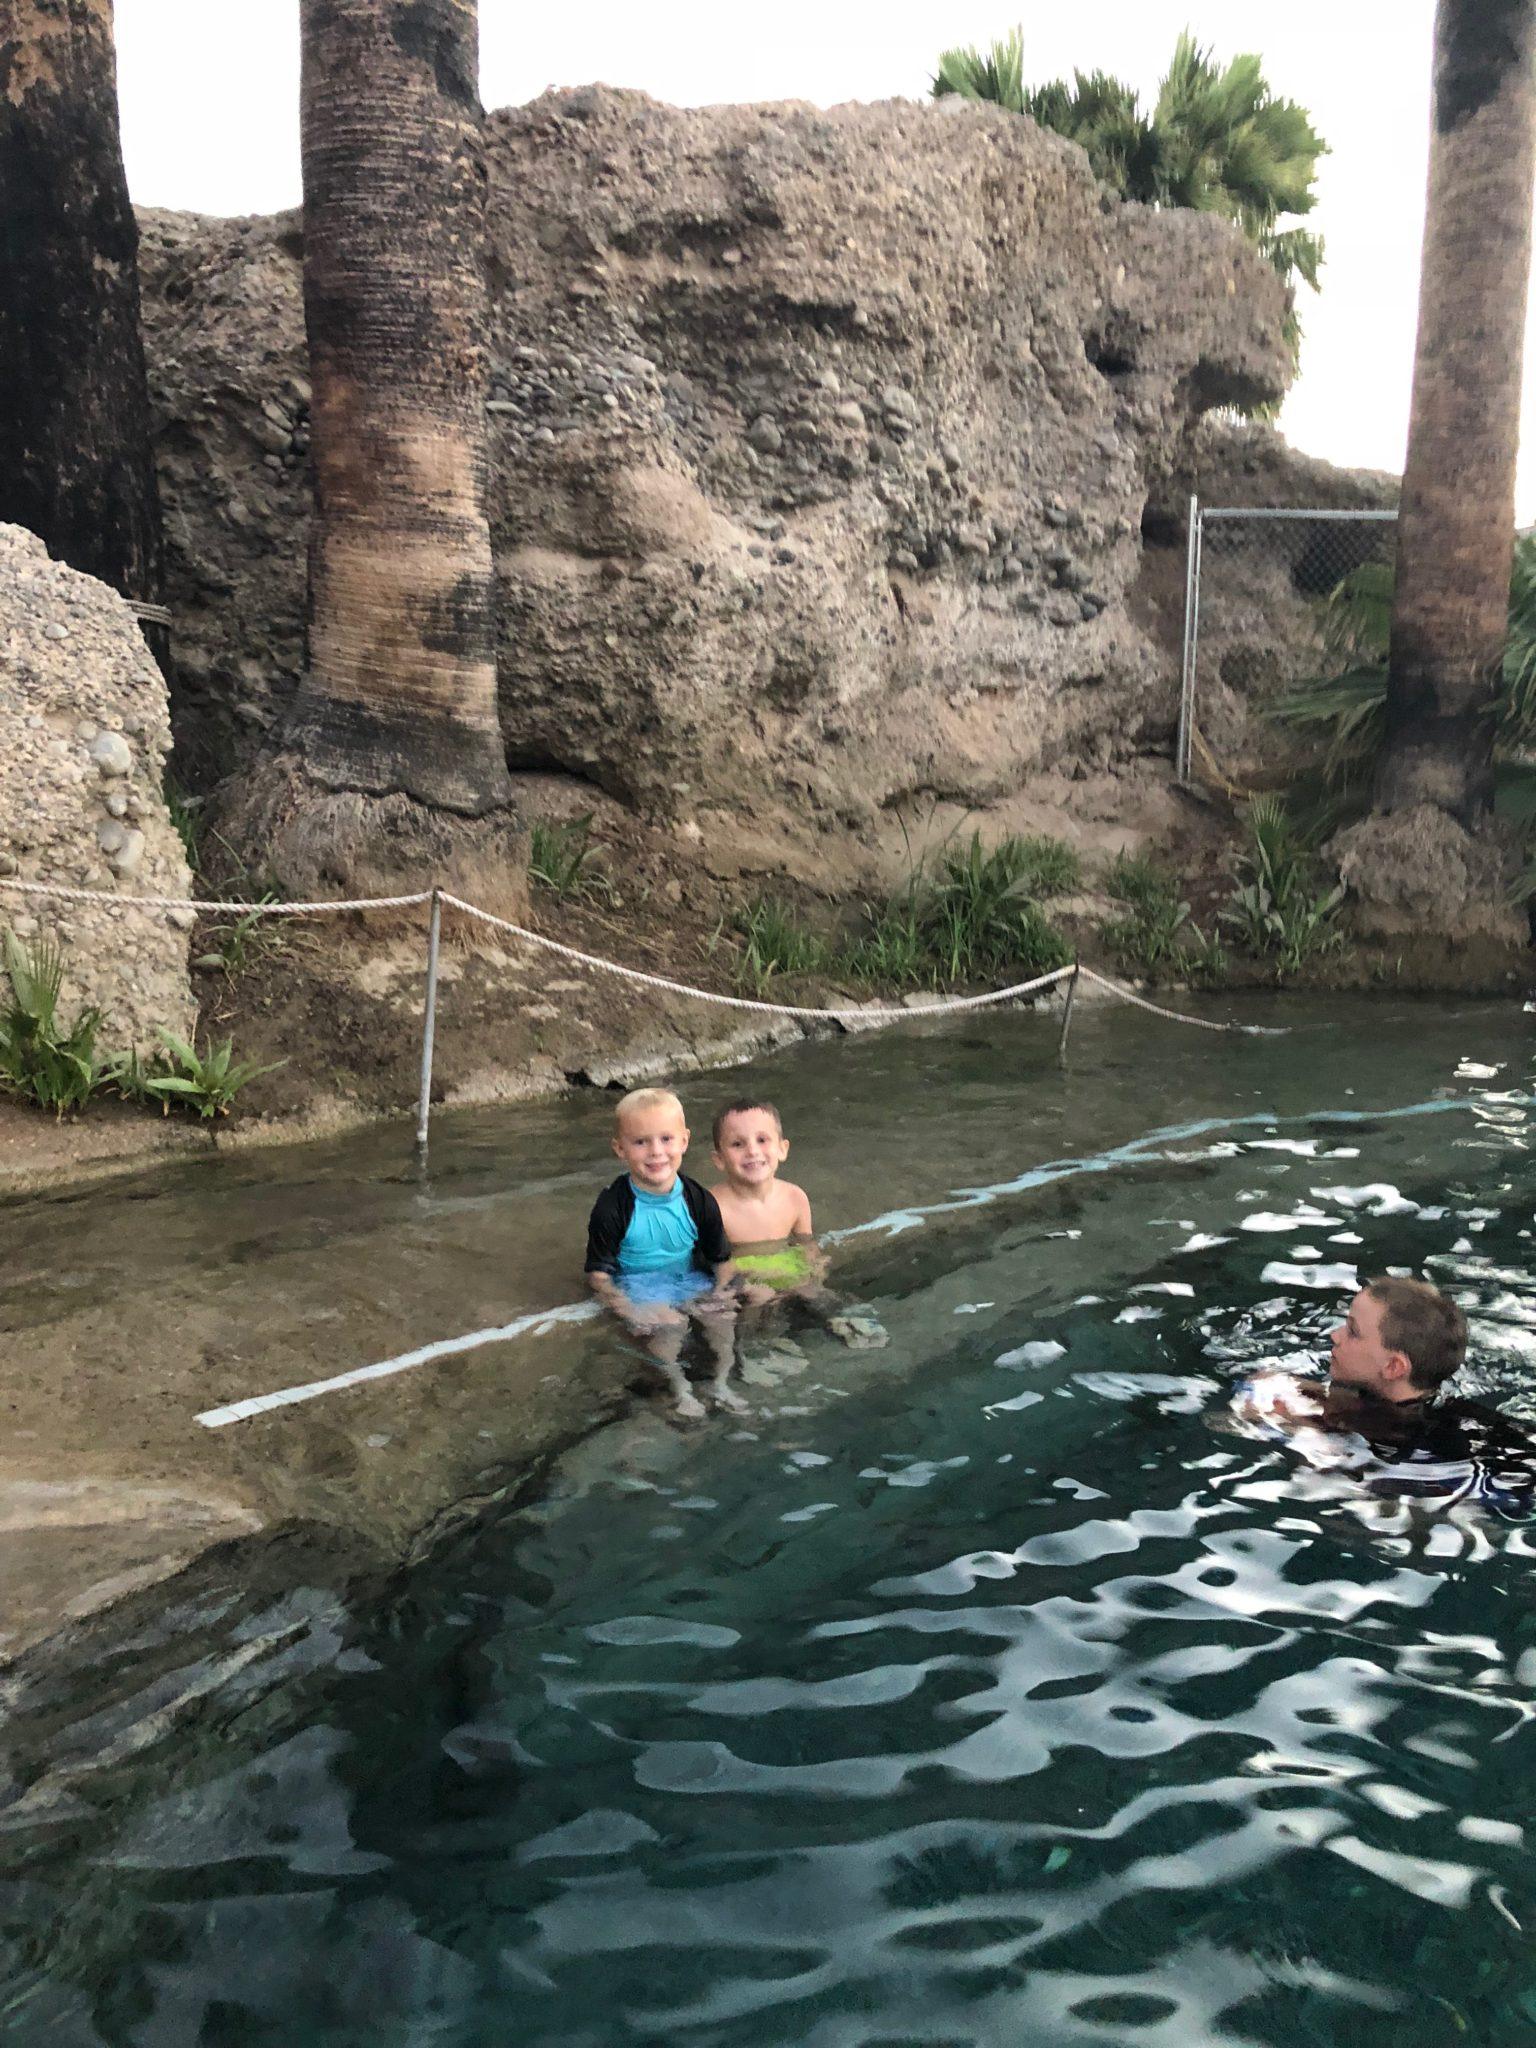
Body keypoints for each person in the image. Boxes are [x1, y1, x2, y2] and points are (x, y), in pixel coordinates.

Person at [1230, 1275, 1536, 1516]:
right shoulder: (1425, 1407)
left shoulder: (1404, 1445)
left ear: (1393, 1367)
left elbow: (1372, 1501)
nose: (1335, 1335)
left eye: (1352, 1331)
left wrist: (1297, 1433)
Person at [585, 1087, 745, 1419]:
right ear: (620, 1149)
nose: (656, 1152)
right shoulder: (612, 1207)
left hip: (686, 1278)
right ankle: (679, 1387)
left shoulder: (699, 1200)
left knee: (721, 1316)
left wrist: (721, 1292)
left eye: (666, 1139)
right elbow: (598, 1276)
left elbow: (722, 1261)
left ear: (684, 1141)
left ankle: (722, 1382)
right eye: (640, 1142)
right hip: (638, 1285)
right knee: (670, 1325)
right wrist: (629, 1309)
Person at [709, 1098, 887, 1347]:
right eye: (738, 1144)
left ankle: (850, 1324)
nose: (752, 1151)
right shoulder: (713, 1207)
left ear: (782, 1149)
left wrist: (815, 1265)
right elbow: (716, 1264)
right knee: (758, 1304)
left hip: (786, 1266)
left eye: (762, 1140)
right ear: (719, 1159)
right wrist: (745, 1285)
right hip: (747, 1275)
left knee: (819, 1293)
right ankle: (758, 1347)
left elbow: (805, 1242)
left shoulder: (795, 1197)